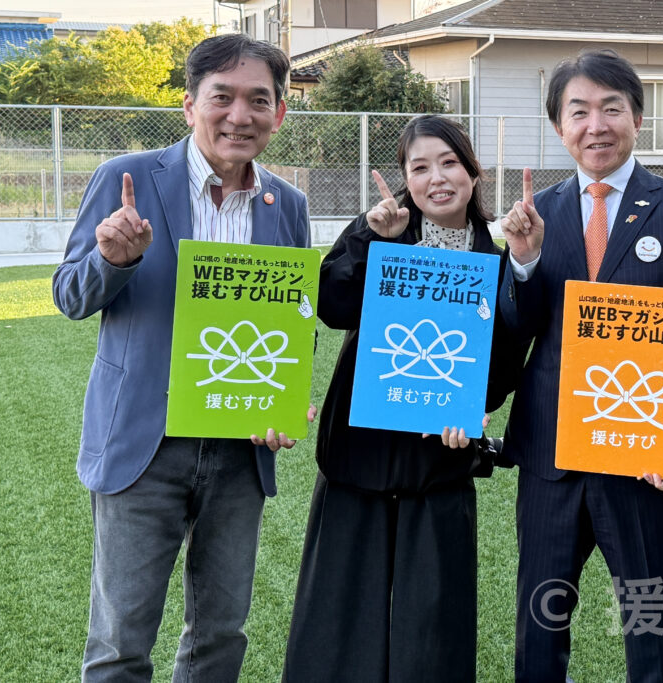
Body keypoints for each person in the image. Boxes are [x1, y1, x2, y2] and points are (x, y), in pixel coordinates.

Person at [52, 34, 311, 681]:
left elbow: (290, 326)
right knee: (120, 642)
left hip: (238, 453)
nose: (239, 115)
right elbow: (70, 294)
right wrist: (113, 259)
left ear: (280, 112)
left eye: (259, 100)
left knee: (221, 635)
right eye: (222, 97)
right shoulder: (127, 178)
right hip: (144, 445)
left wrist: (285, 397)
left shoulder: (290, 206)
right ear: (190, 103)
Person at [497, 49, 663, 681]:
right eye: (579, 112)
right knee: (540, 624)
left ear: (638, 119)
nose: (596, 125)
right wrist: (523, 260)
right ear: (559, 126)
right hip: (552, 452)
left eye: (611, 109)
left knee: (648, 620)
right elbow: (519, 326)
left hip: (642, 449)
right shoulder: (537, 214)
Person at [282, 115, 517, 682]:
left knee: (433, 626)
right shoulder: (382, 235)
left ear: (472, 171)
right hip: (357, 454)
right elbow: (331, 304)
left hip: (441, 460)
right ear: (405, 180)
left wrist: (475, 407)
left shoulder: (497, 258)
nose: (436, 178)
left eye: (448, 163)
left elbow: (506, 356)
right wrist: (368, 235)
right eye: (419, 167)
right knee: (338, 621)